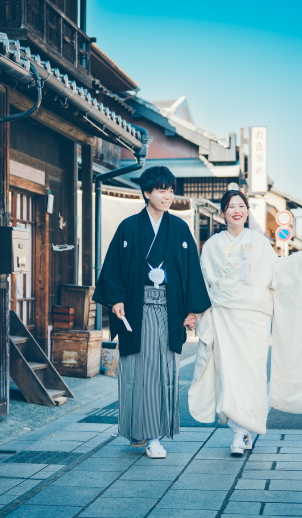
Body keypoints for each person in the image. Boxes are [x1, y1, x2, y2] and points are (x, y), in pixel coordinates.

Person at [93, 166, 210, 459]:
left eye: (170, 190)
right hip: (136, 310)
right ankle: (139, 430)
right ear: (147, 193)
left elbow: (191, 272)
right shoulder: (129, 227)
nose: (167, 196)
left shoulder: (180, 228)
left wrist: (192, 311)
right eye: (161, 190)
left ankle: (155, 436)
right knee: (136, 372)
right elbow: (113, 267)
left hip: (170, 312)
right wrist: (116, 299)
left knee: (164, 372)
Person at [188, 190, 302, 456]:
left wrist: (299, 260)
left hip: (254, 320)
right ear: (222, 213)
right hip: (224, 317)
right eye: (231, 206)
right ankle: (240, 432)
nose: (236, 210)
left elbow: (277, 272)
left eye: (241, 206)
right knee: (229, 374)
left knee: (253, 374)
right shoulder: (212, 245)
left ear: (247, 211)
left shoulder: (260, 242)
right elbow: (202, 283)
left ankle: (244, 429)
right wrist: (194, 313)